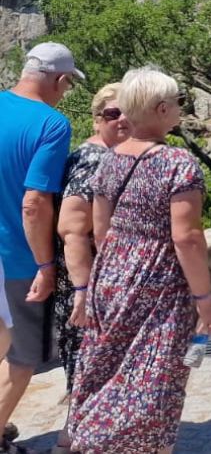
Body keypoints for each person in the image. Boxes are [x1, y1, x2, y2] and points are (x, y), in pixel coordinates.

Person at [68, 67, 211, 454]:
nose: (181, 108)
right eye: (178, 102)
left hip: (111, 278)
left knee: (104, 369)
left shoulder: (109, 160)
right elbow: (186, 238)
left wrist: (119, 266)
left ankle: (91, 437)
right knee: (156, 381)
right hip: (159, 284)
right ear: (162, 108)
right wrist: (204, 298)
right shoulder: (178, 164)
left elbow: (100, 231)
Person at [0, 43, 80, 453]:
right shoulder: (52, 124)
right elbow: (34, 203)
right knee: (23, 356)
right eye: (67, 85)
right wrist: (46, 266)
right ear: (59, 80)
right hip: (16, 258)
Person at [50, 83, 128, 452]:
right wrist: (83, 290)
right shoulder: (93, 161)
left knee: (92, 371)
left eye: (129, 111)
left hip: (100, 284)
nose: (122, 119)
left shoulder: (110, 157)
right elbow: (72, 229)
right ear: (97, 119)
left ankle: (76, 440)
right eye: (113, 113)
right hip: (89, 287)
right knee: (89, 369)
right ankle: (71, 443)